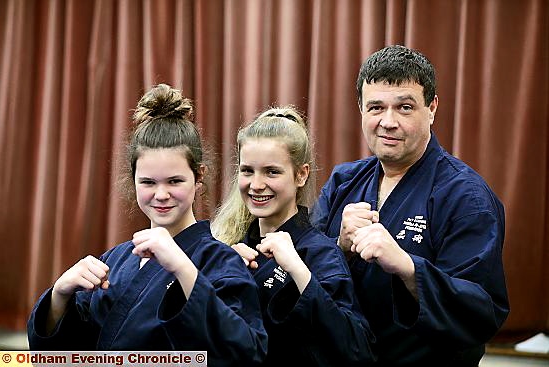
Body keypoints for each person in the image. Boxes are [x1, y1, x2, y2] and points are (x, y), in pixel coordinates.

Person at [27, 84, 268, 366]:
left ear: (198, 176)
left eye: (175, 181)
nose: (161, 194)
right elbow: (62, 358)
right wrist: (59, 294)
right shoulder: (114, 261)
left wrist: (183, 268)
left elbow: (246, 352)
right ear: (133, 180)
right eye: (148, 182)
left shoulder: (220, 261)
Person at [310, 45, 510, 366]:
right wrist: (339, 247)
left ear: (431, 108)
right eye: (376, 107)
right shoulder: (343, 181)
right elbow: (305, 279)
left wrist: (409, 268)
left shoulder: (466, 197)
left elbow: (481, 312)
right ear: (360, 108)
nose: (388, 122)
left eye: (404, 107)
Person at [211, 106, 376, 367]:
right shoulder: (230, 250)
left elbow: (358, 352)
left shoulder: (320, 254)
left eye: (272, 172)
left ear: (301, 175)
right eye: (247, 171)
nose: (256, 184)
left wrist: (299, 272)